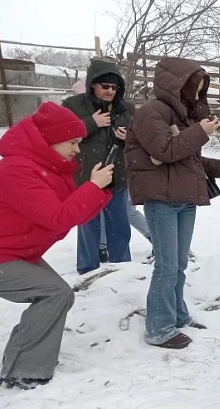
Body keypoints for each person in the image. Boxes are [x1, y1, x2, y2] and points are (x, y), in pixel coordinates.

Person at [0, 102, 113, 389]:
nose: (76, 149)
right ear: (48, 140)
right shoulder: (17, 169)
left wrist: (98, 189)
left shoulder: (43, 167)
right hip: (0, 255)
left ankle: (25, 356)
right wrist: (93, 187)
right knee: (55, 293)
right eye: (71, 142)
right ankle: (23, 370)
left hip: (15, 252)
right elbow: (57, 218)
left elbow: (69, 215)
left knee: (59, 295)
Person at [126, 57, 220, 349]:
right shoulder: (151, 112)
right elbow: (165, 150)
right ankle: (158, 328)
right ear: (177, 85)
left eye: (202, 89)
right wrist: (200, 131)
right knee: (166, 266)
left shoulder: (183, 117)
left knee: (178, 264)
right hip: (161, 200)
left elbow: (188, 157)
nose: (198, 94)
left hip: (182, 197)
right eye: (195, 87)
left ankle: (177, 315)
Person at [62, 58, 135, 275]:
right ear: (93, 84)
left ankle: (123, 271)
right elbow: (59, 135)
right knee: (88, 227)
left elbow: (142, 137)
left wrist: (131, 137)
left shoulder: (126, 109)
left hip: (117, 176)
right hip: (87, 178)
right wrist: (91, 123)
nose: (110, 91)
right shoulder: (73, 105)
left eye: (115, 87)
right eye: (105, 86)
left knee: (120, 228)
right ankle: (87, 270)